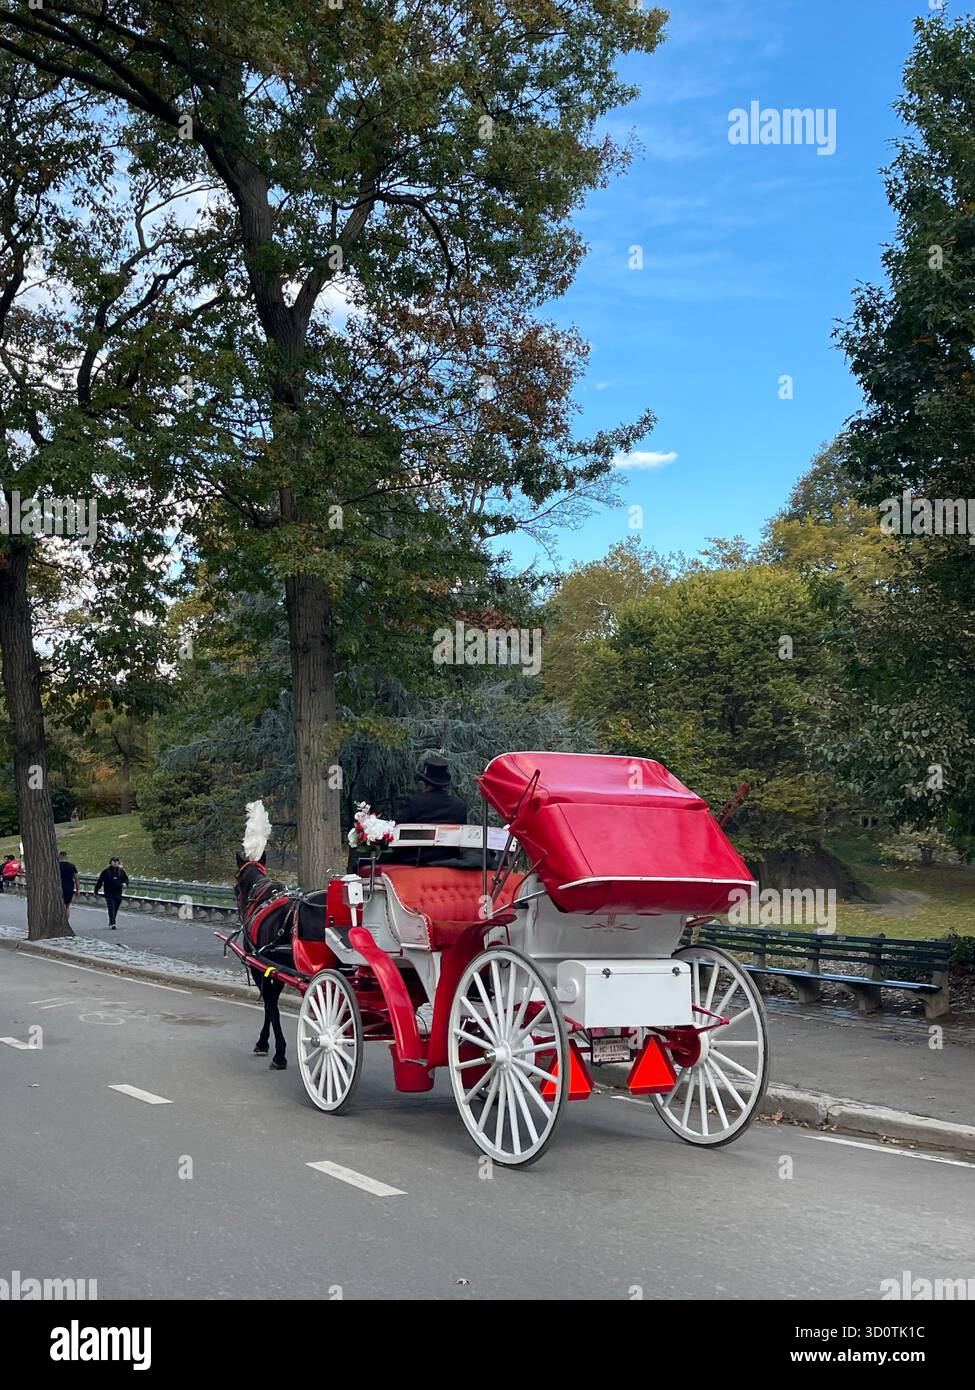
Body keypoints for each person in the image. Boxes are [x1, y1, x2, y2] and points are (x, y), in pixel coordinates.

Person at [388, 755, 469, 866]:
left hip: (414, 861)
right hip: (449, 860)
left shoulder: (414, 802)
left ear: (425, 783)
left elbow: (396, 829)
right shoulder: (460, 806)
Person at [94, 856, 129, 929]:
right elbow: (100, 881)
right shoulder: (106, 871)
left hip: (118, 892)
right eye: (114, 861)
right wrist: (96, 890)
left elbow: (126, 879)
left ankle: (112, 920)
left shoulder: (121, 872)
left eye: (117, 862)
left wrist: (125, 883)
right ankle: (113, 923)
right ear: (111, 862)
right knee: (111, 907)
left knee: (116, 907)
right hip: (109, 892)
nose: (115, 863)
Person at [58, 850, 79, 920]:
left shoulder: (55, 866)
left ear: (59, 856)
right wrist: (77, 890)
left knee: (59, 905)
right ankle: (66, 922)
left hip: (58, 887)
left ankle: (60, 921)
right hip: (69, 887)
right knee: (67, 905)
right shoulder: (72, 866)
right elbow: (76, 879)